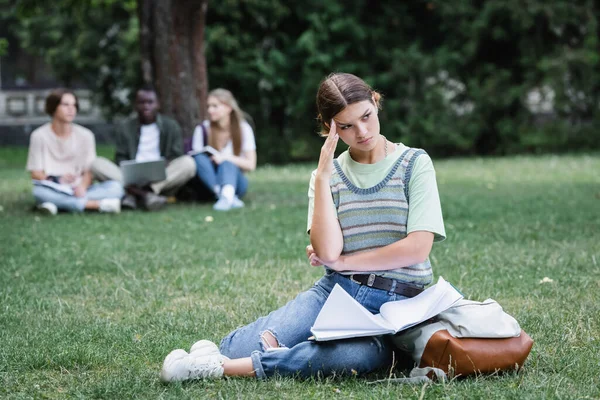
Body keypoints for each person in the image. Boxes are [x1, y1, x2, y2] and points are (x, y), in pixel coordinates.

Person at [158, 73, 446, 381]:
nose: (362, 131)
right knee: (235, 345)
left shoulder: (415, 163)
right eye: (346, 126)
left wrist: (344, 261)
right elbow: (328, 250)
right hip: (337, 291)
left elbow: (417, 248)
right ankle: (232, 356)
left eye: (366, 116)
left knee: (351, 357)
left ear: (375, 103)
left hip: (398, 304)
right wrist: (323, 177)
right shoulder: (327, 176)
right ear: (329, 128)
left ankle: (222, 368)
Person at [91, 85, 196, 211]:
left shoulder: (170, 126)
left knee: (188, 163)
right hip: (131, 177)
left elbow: (175, 155)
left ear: (158, 104)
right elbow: (120, 158)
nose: (146, 106)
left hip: (159, 178)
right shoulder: (125, 127)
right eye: (142, 102)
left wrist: (160, 167)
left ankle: (137, 193)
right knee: (96, 163)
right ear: (136, 105)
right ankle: (145, 195)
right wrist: (131, 171)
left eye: (150, 102)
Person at [26, 89, 124, 215]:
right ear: (53, 107)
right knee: (39, 192)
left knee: (116, 188)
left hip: (80, 188)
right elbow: (36, 174)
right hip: (55, 187)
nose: (71, 109)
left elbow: (90, 170)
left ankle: (57, 204)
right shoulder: (39, 136)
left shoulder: (86, 135)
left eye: (74, 105)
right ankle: (96, 205)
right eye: (65, 105)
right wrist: (58, 179)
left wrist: (82, 187)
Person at [190, 89, 256, 211]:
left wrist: (225, 158)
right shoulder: (203, 129)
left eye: (215, 106)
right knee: (198, 157)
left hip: (237, 182)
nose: (210, 110)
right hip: (209, 181)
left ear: (228, 108)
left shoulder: (243, 129)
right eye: (209, 106)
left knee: (227, 163)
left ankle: (227, 194)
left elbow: (251, 165)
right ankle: (225, 196)